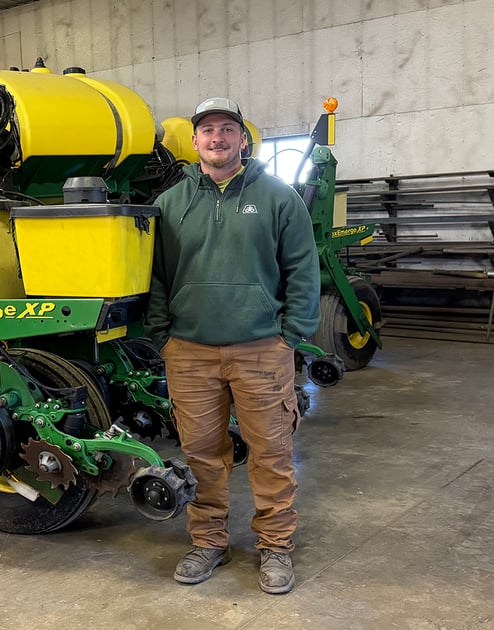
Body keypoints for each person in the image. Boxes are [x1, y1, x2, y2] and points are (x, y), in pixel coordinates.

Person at [145, 97, 320, 595]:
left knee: (271, 453)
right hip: (189, 351)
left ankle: (276, 547)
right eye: (207, 130)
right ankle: (208, 542)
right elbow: (155, 276)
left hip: (261, 349)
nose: (217, 138)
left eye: (227, 129)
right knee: (202, 453)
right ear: (194, 141)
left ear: (243, 139)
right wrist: (162, 336)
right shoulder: (169, 203)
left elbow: (302, 268)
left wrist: (291, 334)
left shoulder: (278, 197)